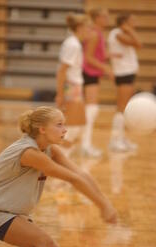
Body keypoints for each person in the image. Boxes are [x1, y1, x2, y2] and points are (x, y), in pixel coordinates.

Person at [0, 106, 117, 247]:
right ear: (42, 129)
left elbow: (82, 175)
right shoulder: (29, 152)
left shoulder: (50, 150)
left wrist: (105, 202)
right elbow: (73, 178)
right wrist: (103, 205)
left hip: (10, 212)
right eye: (59, 124)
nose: (65, 130)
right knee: (45, 245)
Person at [56, 13, 99, 157]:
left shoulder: (74, 43)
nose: (90, 31)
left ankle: (63, 158)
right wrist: (61, 94)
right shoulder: (73, 44)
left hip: (75, 87)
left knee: (78, 125)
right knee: (72, 127)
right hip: (71, 87)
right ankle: (60, 160)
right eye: (88, 28)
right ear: (80, 27)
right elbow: (62, 71)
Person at [82, 8, 114, 156]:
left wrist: (109, 55)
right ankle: (85, 145)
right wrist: (106, 68)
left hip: (91, 74)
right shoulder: (94, 34)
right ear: (97, 18)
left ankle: (84, 144)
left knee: (90, 109)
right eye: (104, 16)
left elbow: (96, 54)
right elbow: (88, 57)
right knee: (91, 109)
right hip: (88, 74)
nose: (107, 19)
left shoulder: (97, 33)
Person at [108, 14, 142, 151]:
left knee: (125, 108)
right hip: (123, 74)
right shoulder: (117, 34)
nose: (135, 22)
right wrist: (129, 30)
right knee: (121, 107)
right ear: (124, 23)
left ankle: (121, 138)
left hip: (127, 74)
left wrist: (128, 29)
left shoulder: (119, 33)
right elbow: (139, 44)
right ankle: (115, 141)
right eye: (131, 21)